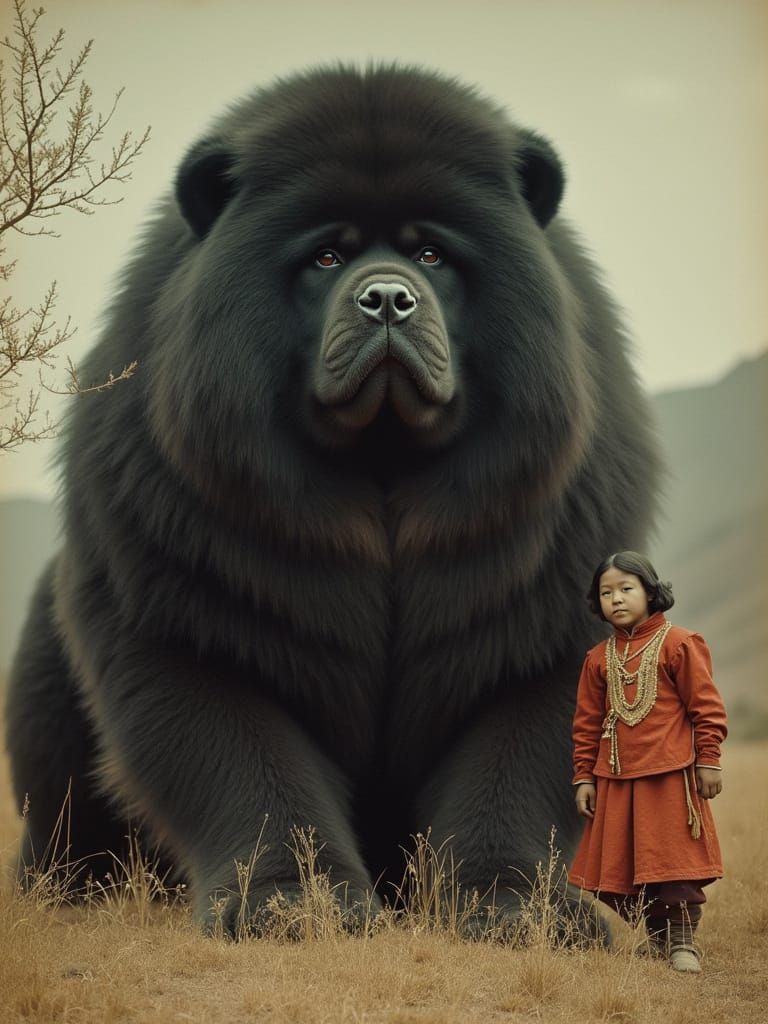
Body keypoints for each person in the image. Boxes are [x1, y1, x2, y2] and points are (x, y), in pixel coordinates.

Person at [568, 551, 727, 973]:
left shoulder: (679, 644)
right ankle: (659, 942)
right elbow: (587, 723)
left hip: (670, 776)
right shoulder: (599, 659)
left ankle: (682, 946)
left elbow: (706, 709)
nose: (616, 599)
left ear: (651, 591)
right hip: (617, 779)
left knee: (673, 864)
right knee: (631, 866)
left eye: (626, 588)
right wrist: (584, 776)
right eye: (606, 592)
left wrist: (708, 760)